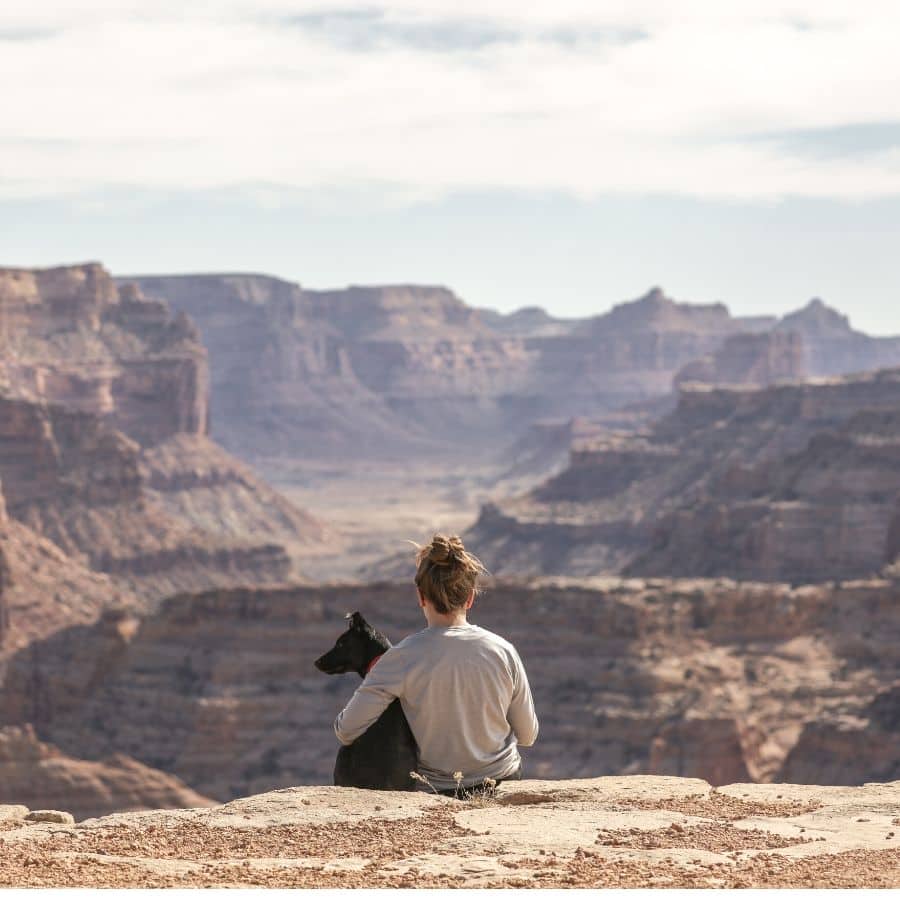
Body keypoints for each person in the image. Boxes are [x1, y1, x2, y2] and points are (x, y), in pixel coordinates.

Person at [334, 533, 539, 796]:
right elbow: (528, 735)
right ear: (470, 598)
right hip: (502, 781)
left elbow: (346, 730)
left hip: (439, 790)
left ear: (421, 596)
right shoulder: (503, 651)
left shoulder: (400, 658)